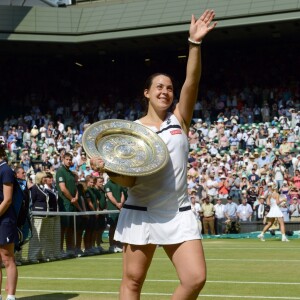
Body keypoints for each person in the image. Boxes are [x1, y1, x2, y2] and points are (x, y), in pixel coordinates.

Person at [91, 10, 217, 299]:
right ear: (146, 93)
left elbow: (192, 83)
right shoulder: (131, 132)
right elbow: (128, 182)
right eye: (159, 87)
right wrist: (107, 169)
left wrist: (194, 44)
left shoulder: (180, 120)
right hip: (141, 212)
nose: (166, 91)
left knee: (195, 278)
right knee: (133, 282)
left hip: (178, 212)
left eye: (169, 88)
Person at [0, 142, 18, 300]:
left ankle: (11, 296)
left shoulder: (5, 170)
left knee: (7, 258)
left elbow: (7, 200)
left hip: (4, 220)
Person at [56, 152, 80, 257]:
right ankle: (60, 250)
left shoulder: (70, 172)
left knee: (71, 227)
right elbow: (63, 188)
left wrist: (77, 197)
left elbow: (75, 186)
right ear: (63, 159)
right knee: (63, 227)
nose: (69, 161)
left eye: (70, 159)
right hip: (65, 203)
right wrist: (71, 199)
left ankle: (70, 249)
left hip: (72, 203)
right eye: (67, 159)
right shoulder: (60, 172)